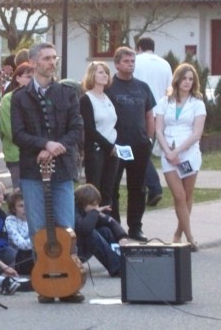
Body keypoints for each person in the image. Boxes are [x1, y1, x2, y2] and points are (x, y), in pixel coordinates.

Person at [10, 42, 84, 304]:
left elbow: (77, 129)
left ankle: (69, 282)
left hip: (62, 170)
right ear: (33, 62)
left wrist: (55, 148)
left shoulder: (68, 93)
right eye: (46, 58)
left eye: (54, 58)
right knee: (38, 229)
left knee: (66, 228)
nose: (52, 62)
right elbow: (18, 134)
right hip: (32, 171)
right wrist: (43, 144)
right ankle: (46, 281)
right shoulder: (20, 97)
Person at [105, 47, 156, 242]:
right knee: (113, 188)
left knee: (138, 188)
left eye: (132, 61)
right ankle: (116, 228)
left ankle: (136, 227)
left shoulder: (142, 87)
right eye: (126, 61)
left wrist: (149, 139)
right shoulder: (110, 87)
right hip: (116, 146)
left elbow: (149, 115)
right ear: (117, 64)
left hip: (139, 145)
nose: (130, 64)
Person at [154, 63, 206, 251]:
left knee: (187, 195)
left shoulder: (197, 103)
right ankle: (190, 237)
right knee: (179, 196)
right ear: (177, 79)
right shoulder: (164, 102)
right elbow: (159, 129)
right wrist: (168, 151)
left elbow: (196, 133)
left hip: (189, 153)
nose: (187, 82)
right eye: (184, 78)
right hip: (168, 153)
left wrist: (178, 152)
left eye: (191, 79)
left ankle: (179, 233)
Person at [135, 37, 173, 207]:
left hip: (141, 111)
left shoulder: (136, 61)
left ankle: (153, 187)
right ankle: (143, 189)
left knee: (140, 153)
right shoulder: (165, 64)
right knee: (145, 151)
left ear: (139, 48)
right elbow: (169, 90)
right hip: (160, 112)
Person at [79, 62, 120, 213]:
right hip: (96, 151)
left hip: (113, 150)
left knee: (109, 190)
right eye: (101, 72)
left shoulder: (109, 98)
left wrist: (115, 145)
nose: (105, 75)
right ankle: (93, 225)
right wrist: (108, 146)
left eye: (106, 73)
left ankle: (108, 224)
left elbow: (114, 124)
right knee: (94, 191)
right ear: (92, 75)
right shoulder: (86, 99)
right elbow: (89, 128)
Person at [74, 184, 129, 277]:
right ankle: (117, 267)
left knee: (105, 231)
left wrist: (122, 236)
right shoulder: (75, 211)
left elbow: (110, 221)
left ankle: (121, 260)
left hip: (82, 247)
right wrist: (95, 212)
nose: (96, 207)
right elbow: (84, 228)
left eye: (97, 204)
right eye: (93, 205)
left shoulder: (91, 211)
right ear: (83, 203)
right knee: (91, 234)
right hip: (75, 251)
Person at [0, 63, 34, 191]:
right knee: (19, 196)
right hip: (16, 155)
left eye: (35, 77)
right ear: (17, 78)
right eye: (29, 76)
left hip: (36, 155)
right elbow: (11, 130)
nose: (32, 80)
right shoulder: (9, 99)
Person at [4, 191, 34, 275]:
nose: (25, 209)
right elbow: (22, 244)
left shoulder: (35, 219)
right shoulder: (11, 221)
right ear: (14, 209)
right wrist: (40, 240)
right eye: (21, 206)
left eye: (28, 205)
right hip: (20, 258)